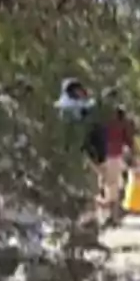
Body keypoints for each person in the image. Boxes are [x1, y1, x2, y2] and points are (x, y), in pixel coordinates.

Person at [56, 78, 111, 221]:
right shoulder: (69, 111)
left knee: (89, 193)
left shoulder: (84, 109)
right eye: (76, 91)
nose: (80, 93)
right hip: (77, 158)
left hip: (86, 157)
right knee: (80, 194)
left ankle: (88, 227)